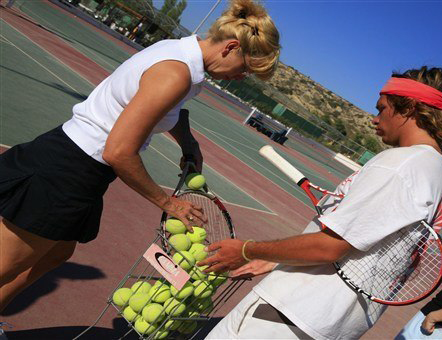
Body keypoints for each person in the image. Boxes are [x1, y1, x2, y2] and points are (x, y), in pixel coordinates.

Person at [0, 0, 280, 312]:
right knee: (7, 266)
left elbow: (168, 110)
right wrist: (170, 204)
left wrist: (188, 144)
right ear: (230, 47)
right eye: (245, 69)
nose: (241, 78)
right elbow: (119, 152)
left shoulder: (179, 54)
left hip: (72, 163)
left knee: (55, 255)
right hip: (68, 170)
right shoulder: (176, 74)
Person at [199, 66, 442, 339]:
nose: (374, 119)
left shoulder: (402, 165)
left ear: (408, 108)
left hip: (294, 311)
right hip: (333, 324)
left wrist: (247, 250)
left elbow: (331, 247)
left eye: (381, 108)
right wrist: (275, 260)